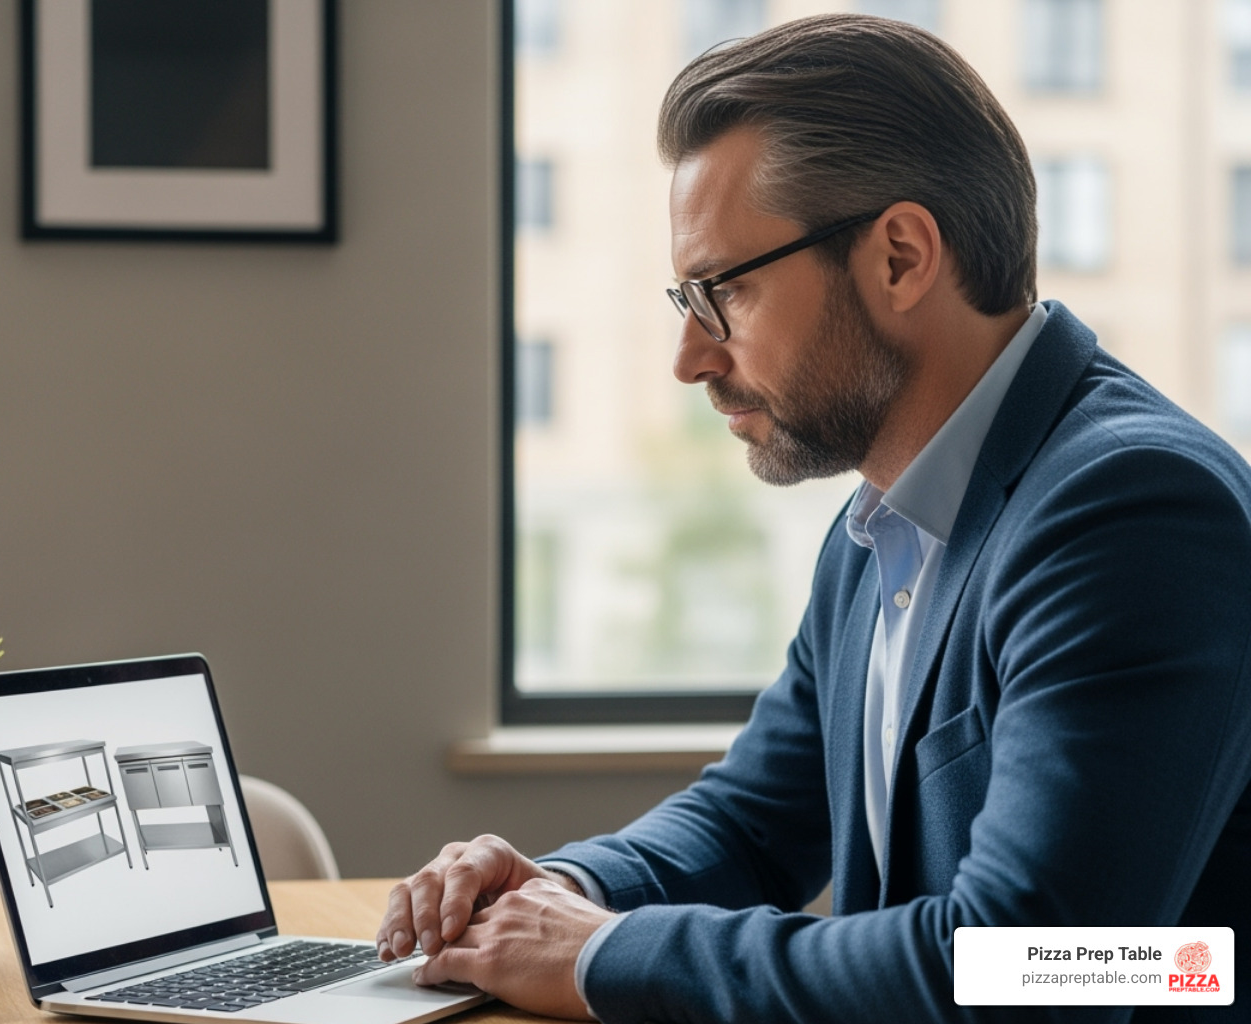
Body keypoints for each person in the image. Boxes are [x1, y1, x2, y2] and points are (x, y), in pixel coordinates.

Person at [376, 13, 1251, 1024]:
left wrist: (601, 956)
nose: (691, 358)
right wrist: (563, 893)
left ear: (900, 257)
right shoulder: (885, 520)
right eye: (686, 300)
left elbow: (1038, 966)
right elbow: (754, 822)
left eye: (727, 292)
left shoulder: (1131, 510)